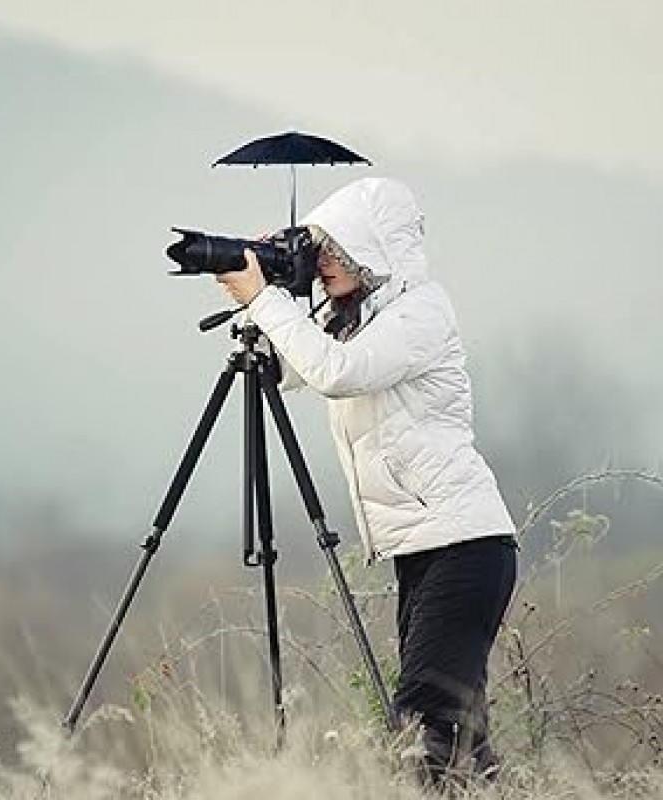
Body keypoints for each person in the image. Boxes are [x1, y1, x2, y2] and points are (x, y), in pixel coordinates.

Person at [216, 177, 517, 784]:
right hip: (425, 549)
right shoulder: (359, 317)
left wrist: (263, 301)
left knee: (424, 723)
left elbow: (334, 373)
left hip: (465, 547)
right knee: (456, 728)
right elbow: (288, 367)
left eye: (334, 250)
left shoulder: (419, 313)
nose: (324, 264)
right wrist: (268, 285)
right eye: (318, 250)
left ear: (371, 250)